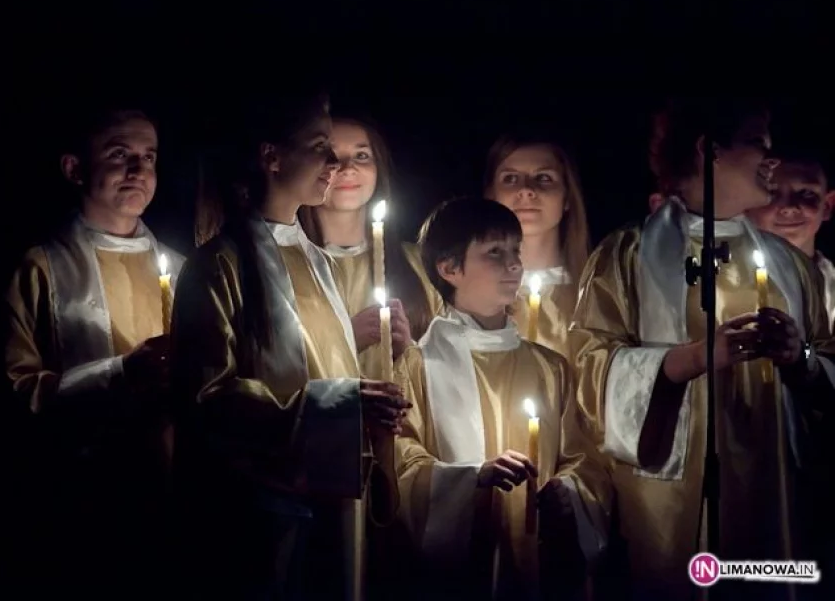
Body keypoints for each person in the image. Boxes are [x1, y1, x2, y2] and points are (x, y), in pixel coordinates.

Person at [570, 99, 835, 601]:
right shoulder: (627, 253)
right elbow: (589, 372)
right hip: (668, 502)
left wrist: (799, 358)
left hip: (771, 485)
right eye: (758, 142)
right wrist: (688, 361)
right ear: (708, 149)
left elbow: (827, 358)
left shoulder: (787, 263)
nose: (771, 158)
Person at [170, 90, 410, 601]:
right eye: (320, 146)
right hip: (260, 510)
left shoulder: (316, 260)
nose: (334, 162)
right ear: (270, 156)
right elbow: (206, 397)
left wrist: (369, 406)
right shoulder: (219, 266)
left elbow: (328, 366)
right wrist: (340, 403)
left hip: (328, 498)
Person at [394, 196, 612, 600]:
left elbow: (584, 456)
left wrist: (570, 493)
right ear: (449, 268)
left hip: (538, 559)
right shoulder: (417, 366)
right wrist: (471, 478)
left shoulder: (550, 366)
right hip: (464, 563)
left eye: (516, 251)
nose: (514, 264)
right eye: (494, 252)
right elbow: (402, 460)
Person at [3, 108, 184, 590]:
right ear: (74, 168)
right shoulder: (41, 267)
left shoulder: (184, 272)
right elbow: (16, 387)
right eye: (119, 155)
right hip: (79, 489)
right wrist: (121, 372)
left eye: (149, 157)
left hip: (173, 488)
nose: (138, 170)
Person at [298, 114, 443, 380]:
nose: (347, 167)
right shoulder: (289, 267)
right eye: (330, 154)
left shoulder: (419, 264)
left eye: (362, 156)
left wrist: (409, 349)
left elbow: (452, 371)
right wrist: (345, 341)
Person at [483, 133, 591, 360]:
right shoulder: (468, 297)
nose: (526, 190)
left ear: (567, 197)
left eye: (543, 178)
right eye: (511, 179)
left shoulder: (597, 296)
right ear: (491, 195)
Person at [747, 154, 835, 326]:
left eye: (807, 194)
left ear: (827, 206)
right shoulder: (724, 281)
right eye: (771, 193)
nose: (789, 207)